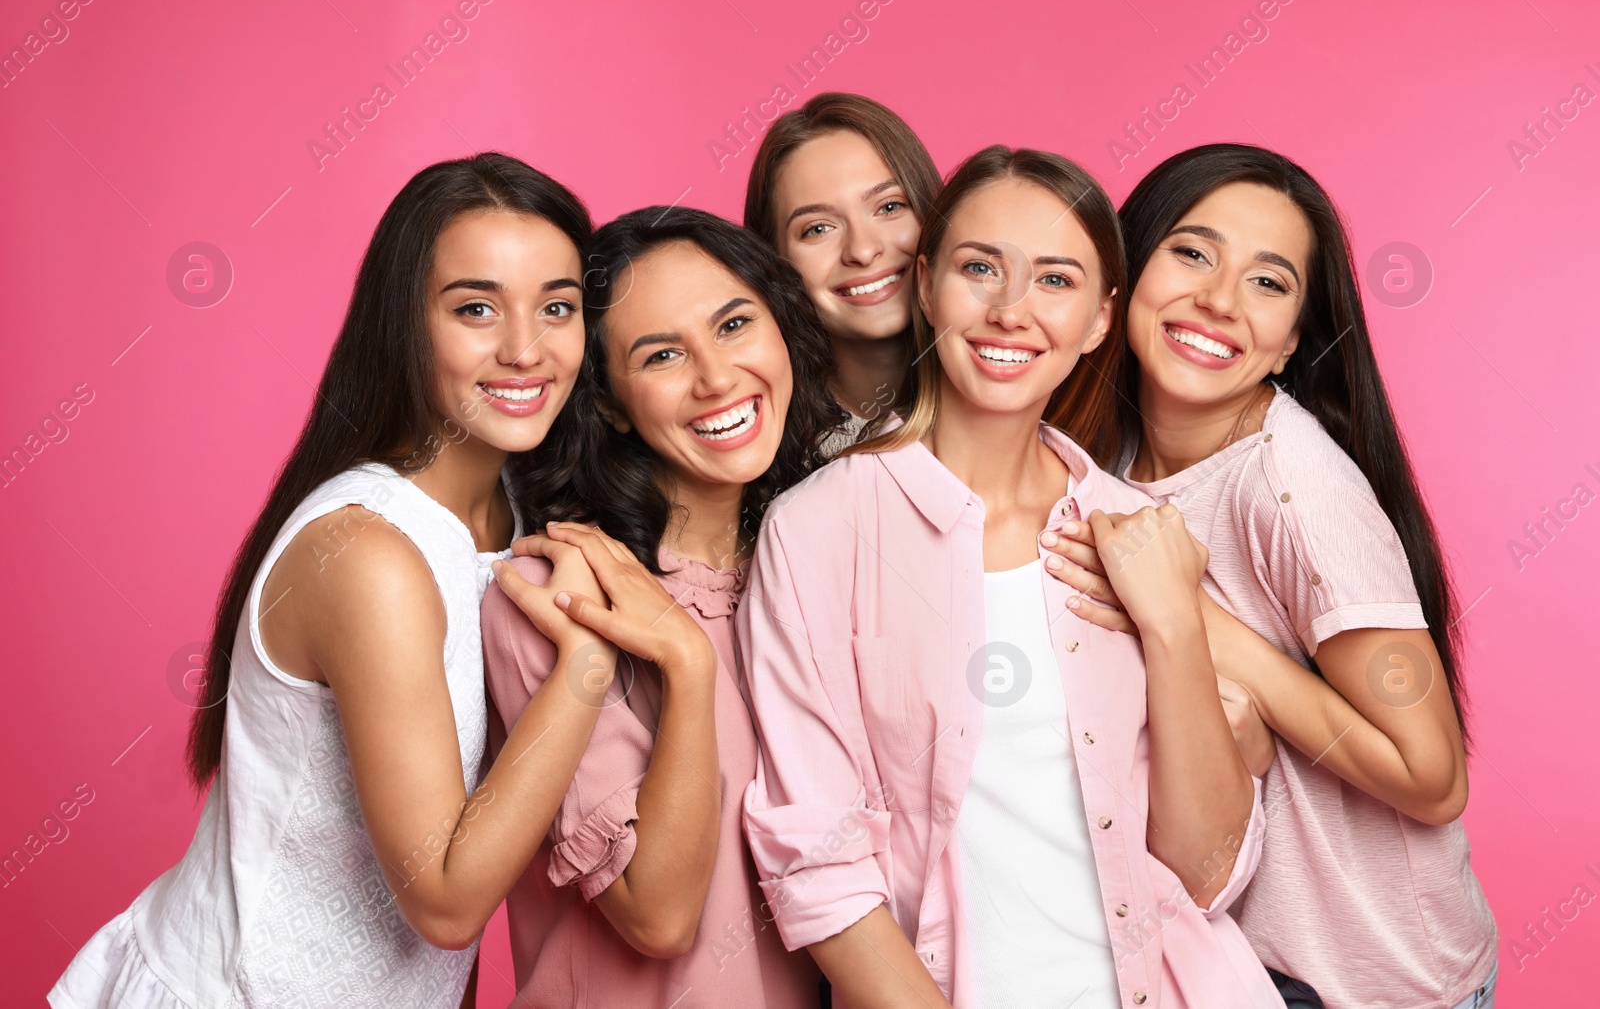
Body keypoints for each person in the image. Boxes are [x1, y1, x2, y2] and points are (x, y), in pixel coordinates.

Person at [49, 153, 617, 1009]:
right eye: (475, 308)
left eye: (558, 308)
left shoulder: (510, 507)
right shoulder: (368, 554)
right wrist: (587, 667)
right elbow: (447, 898)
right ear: (403, 325)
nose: (525, 348)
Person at [740, 145, 1282, 1008]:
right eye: (979, 268)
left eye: (1056, 280)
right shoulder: (818, 528)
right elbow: (819, 863)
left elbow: (1210, 875)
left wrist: (1174, 623)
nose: (1010, 310)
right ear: (925, 286)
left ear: (1102, 319)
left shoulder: (1135, 532)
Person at [1046, 143, 1497, 1008]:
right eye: (1192, 252)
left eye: (1268, 282)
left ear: (1293, 341)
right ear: (1127, 274)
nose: (1218, 300)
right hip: (1235, 969)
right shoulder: (1110, 460)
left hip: (1383, 984)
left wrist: (1193, 620)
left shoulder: (1294, 489)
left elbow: (1434, 775)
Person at [479, 207, 842, 1007]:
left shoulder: (814, 565)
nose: (716, 377)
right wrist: (685, 660)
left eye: (736, 324)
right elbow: (657, 914)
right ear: (608, 401)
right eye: (664, 354)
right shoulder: (556, 597)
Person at [744, 92, 942, 455]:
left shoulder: (1020, 398)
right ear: (774, 262)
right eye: (818, 228)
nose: (863, 251)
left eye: (890, 206)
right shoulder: (755, 446)